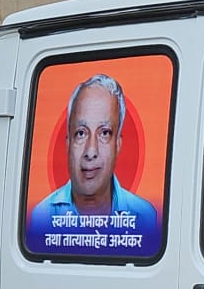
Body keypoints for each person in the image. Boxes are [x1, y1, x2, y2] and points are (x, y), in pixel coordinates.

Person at [28, 74, 158, 247]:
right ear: (68, 144)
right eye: (81, 133)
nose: (91, 151)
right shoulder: (41, 217)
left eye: (104, 133)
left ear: (117, 145)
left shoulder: (145, 217)